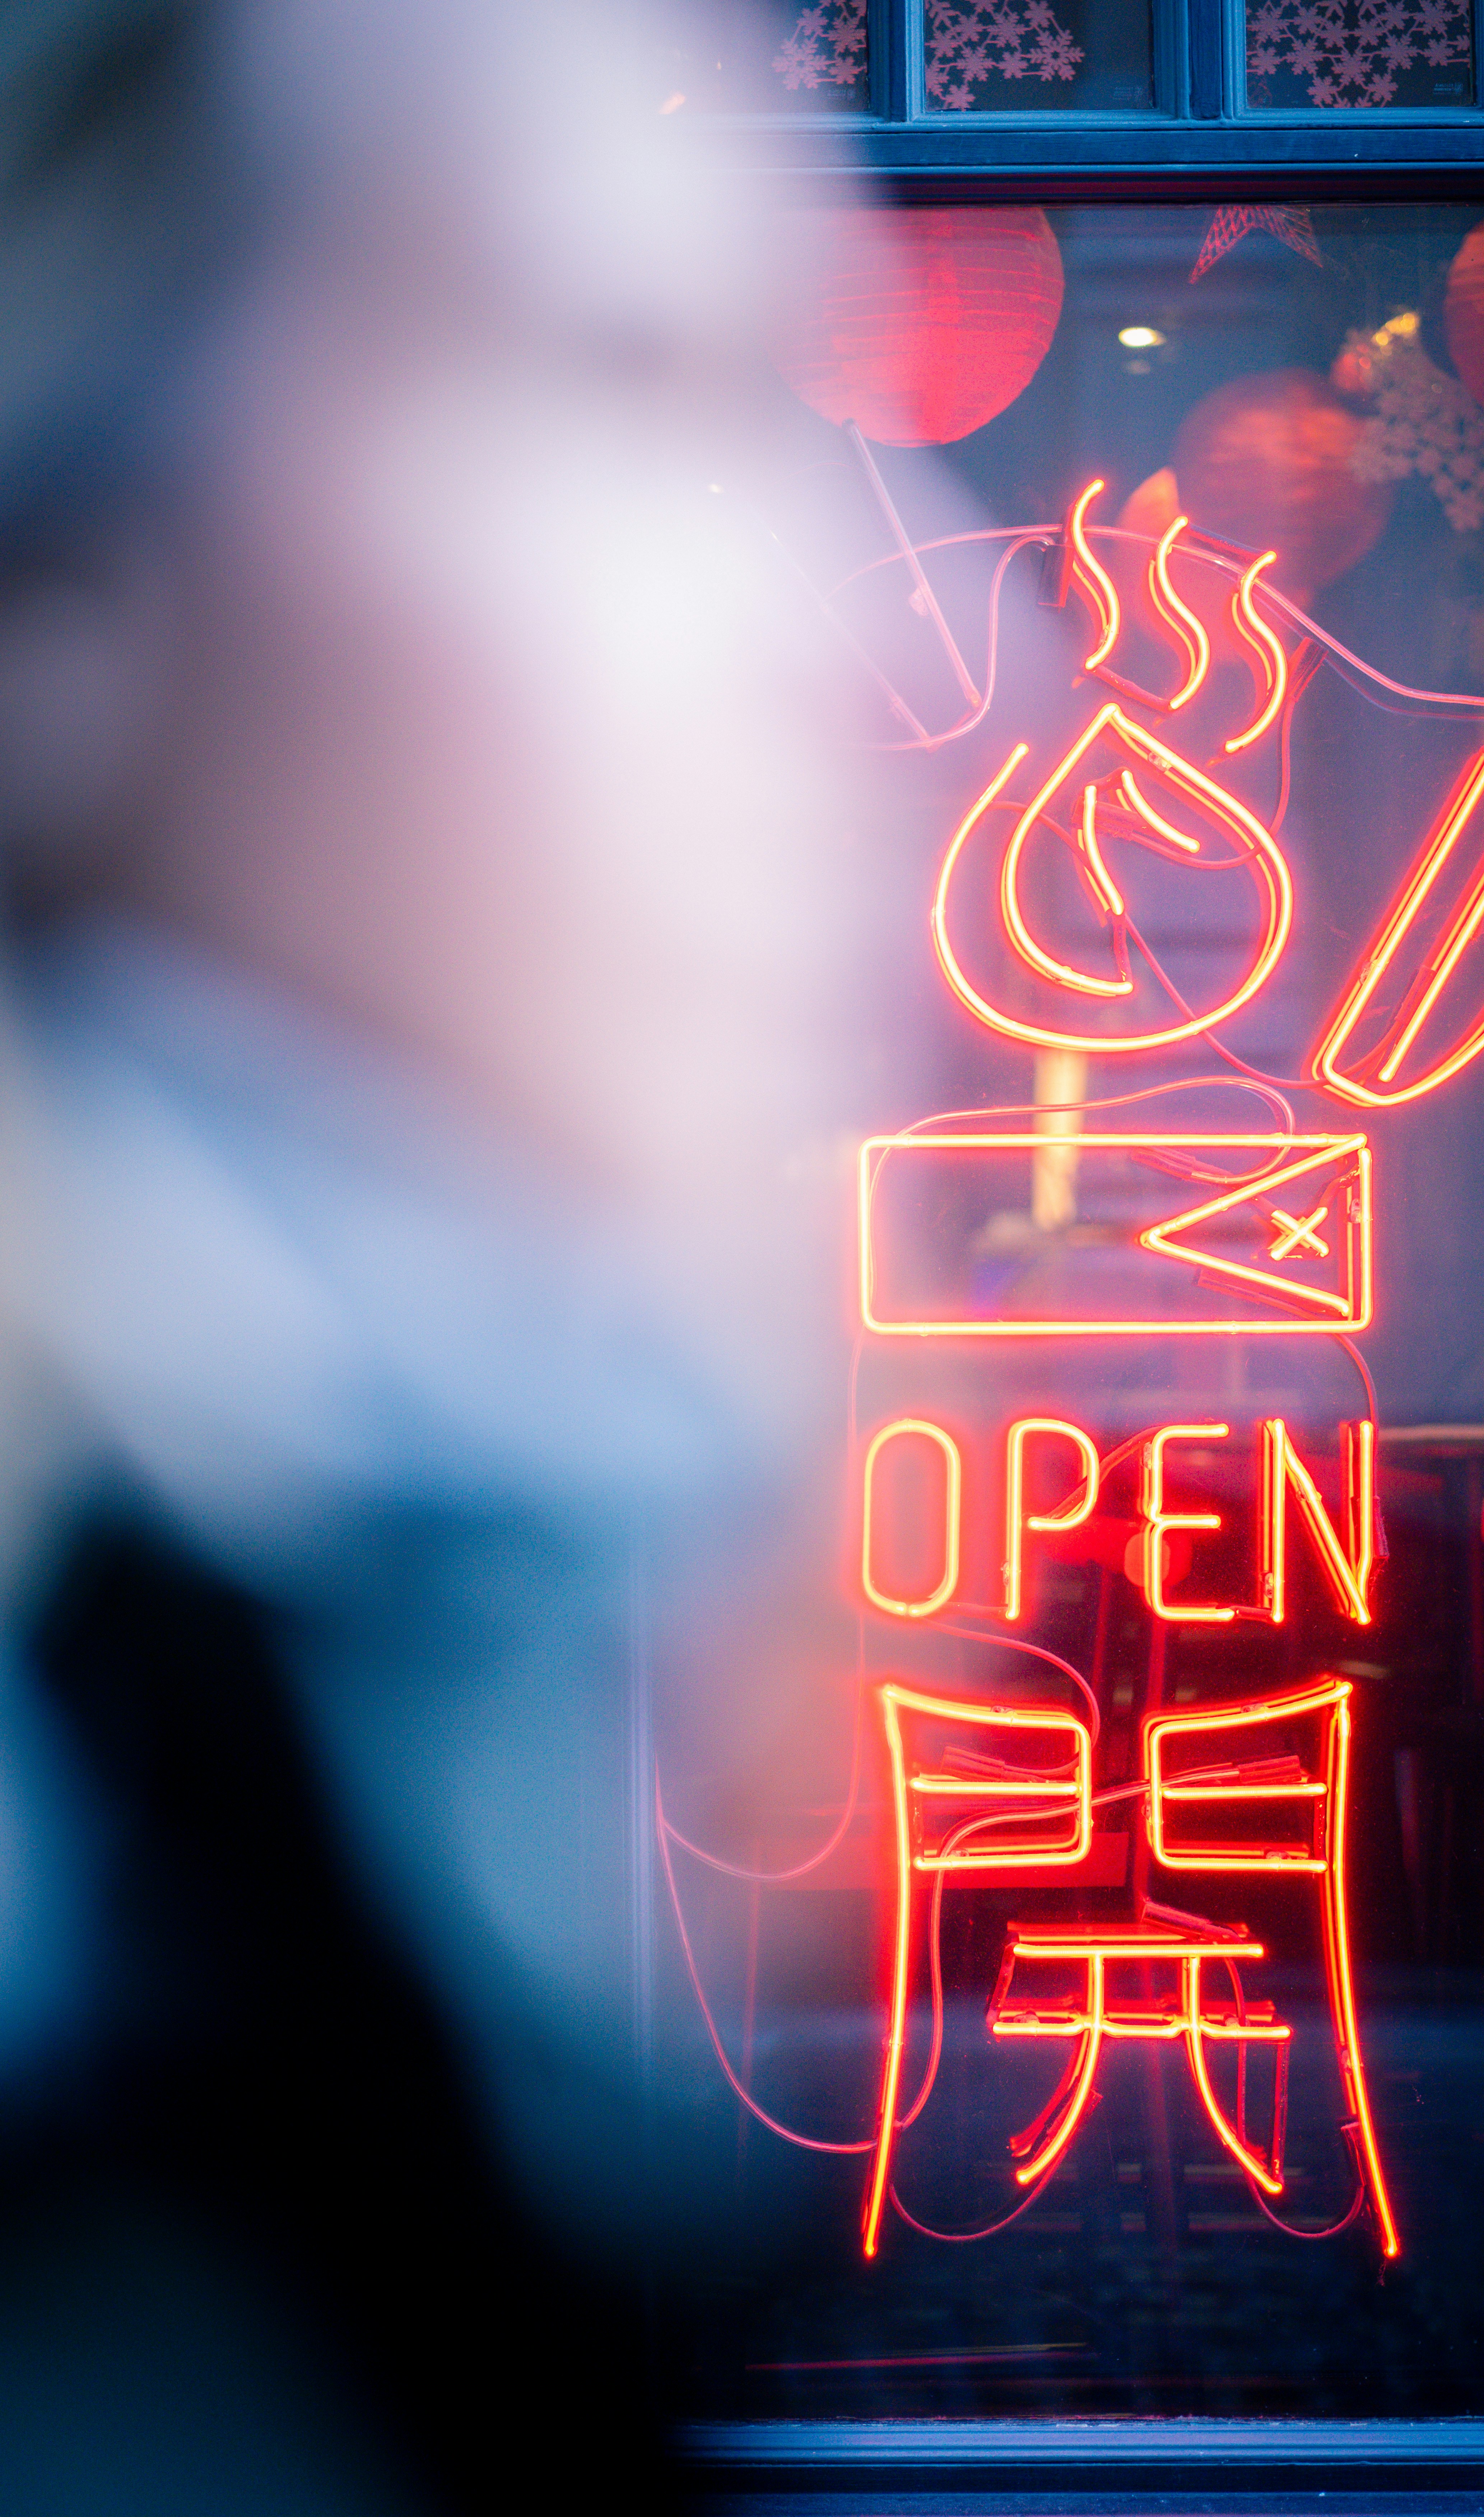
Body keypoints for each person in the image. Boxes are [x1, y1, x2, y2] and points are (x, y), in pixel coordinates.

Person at [0, 2, 859, 2503]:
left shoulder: (324, 1765)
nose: (884, 650)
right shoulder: (117, 1964)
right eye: (632, 377)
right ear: (59, 572)